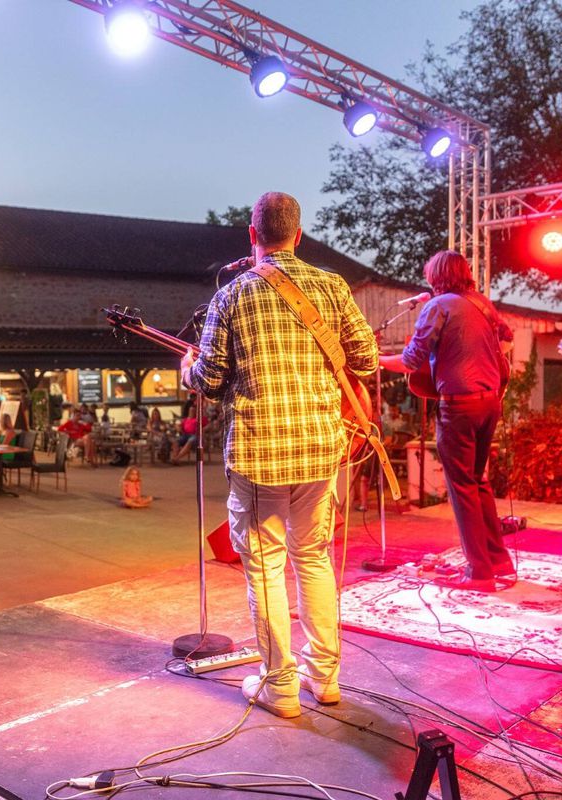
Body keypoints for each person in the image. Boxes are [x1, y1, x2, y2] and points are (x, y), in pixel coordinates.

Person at [180, 191, 377, 718]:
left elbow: (210, 379)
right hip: (319, 448)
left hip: (260, 452)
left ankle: (281, 686)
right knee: (312, 557)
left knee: (266, 567)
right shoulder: (333, 286)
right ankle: (325, 679)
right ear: (298, 234)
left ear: (253, 235)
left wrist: (187, 368)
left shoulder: (232, 295)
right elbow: (366, 359)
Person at [380, 250, 513, 592]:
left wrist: (378, 360)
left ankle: (479, 573)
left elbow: (411, 361)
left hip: (459, 405)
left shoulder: (438, 306)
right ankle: (499, 561)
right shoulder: (481, 303)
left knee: (462, 488)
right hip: (490, 402)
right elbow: (506, 337)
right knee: (478, 481)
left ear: (435, 277)